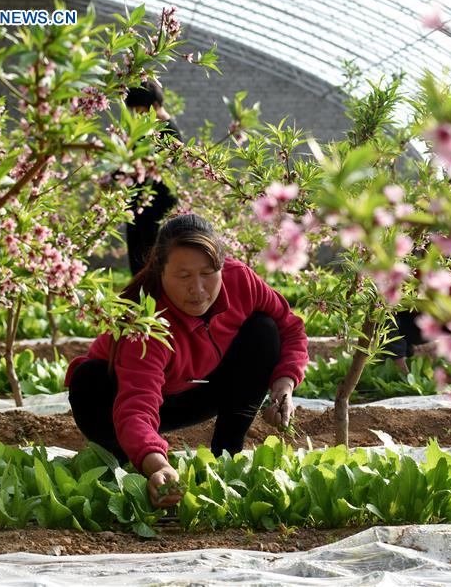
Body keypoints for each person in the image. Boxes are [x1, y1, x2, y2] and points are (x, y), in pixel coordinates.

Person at [65, 214, 308, 508]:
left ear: (221, 265)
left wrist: (284, 384)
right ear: (160, 272)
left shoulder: (240, 280)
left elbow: (290, 327)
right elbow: (136, 405)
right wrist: (157, 464)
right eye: (184, 276)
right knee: (88, 380)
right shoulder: (146, 322)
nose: (198, 289)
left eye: (208, 273)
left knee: (264, 330)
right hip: (115, 402)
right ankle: (119, 456)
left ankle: (227, 457)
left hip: (197, 389)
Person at [123, 80, 182, 275]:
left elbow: (160, 169)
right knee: (139, 265)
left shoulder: (168, 131)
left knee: (153, 264)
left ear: (155, 106)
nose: (137, 117)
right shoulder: (146, 129)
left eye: (140, 112)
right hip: (139, 207)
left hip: (156, 209)